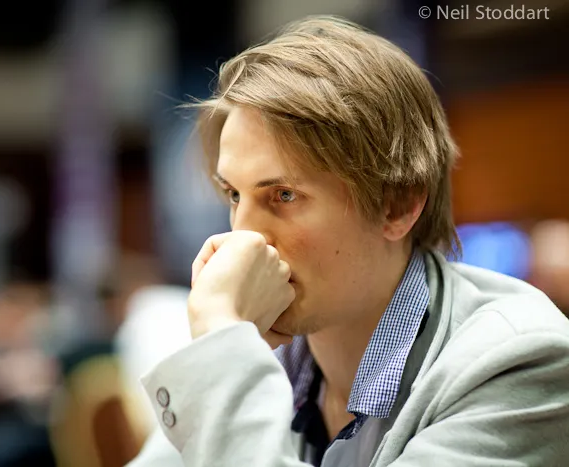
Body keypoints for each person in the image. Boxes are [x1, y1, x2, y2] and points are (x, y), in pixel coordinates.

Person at [127, 15, 569, 467]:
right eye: (234, 194)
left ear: (396, 206)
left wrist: (221, 339)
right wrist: (229, 346)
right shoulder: (269, 356)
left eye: (283, 195)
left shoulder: (518, 360)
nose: (243, 237)